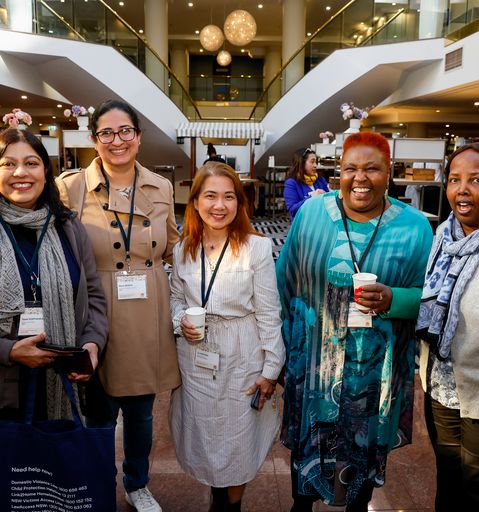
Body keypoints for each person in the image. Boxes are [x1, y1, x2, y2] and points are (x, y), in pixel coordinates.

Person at [277, 132, 433, 511]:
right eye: (350, 169)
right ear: (339, 172)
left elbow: (430, 299)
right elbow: (284, 282)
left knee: (360, 473)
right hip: (313, 367)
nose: (360, 178)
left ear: (388, 172)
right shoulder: (312, 214)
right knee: (304, 478)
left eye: (372, 169)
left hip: (374, 376)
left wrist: (395, 298)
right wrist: (282, 352)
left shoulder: (414, 228)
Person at [56, 99, 180, 512]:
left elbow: (174, 246)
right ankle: (98, 481)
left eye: (125, 131)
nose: (117, 140)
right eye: (106, 133)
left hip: (148, 310)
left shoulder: (161, 187)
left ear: (139, 137)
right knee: (98, 409)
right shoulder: (69, 188)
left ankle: (138, 482)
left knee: (142, 413)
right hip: (97, 307)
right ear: (94, 140)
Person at [169, 161, 285, 512]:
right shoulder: (182, 248)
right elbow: (176, 296)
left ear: (239, 203)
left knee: (238, 436)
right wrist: (180, 321)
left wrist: (271, 368)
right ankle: (217, 497)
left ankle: (229, 505)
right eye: (210, 196)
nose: (219, 206)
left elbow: (268, 311)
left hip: (242, 351)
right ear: (195, 202)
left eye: (228, 197)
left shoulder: (256, 248)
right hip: (196, 354)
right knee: (204, 432)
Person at [417, 142, 479, 511]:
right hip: (441, 387)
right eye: (455, 179)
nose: (462, 190)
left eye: (477, 180)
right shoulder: (445, 234)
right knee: (449, 486)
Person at [0, 127, 107, 420]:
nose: (20, 172)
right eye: (8, 164)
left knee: (55, 461)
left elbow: (94, 294)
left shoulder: (68, 228)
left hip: (61, 381)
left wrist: (92, 344)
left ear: (46, 172)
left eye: (31, 163)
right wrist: (8, 350)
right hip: (6, 390)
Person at [283, 148, 329, 219]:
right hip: (303, 226)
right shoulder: (291, 183)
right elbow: (293, 210)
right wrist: (311, 198)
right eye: (312, 162)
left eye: (316, 162)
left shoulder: (320, 180)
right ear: (302, 163)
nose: (315, 165)